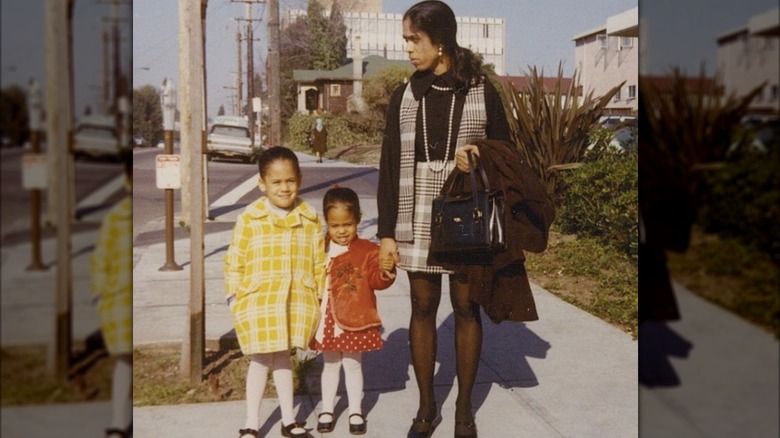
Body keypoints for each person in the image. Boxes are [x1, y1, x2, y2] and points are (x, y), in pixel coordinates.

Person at [377, 2, 514, 437]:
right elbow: (388, 165)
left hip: (462, 211)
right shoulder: (404, 94)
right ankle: (425, 407)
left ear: (441, 41)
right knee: (422, 306)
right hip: (413, 210)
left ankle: (464, 410)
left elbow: (506, 151)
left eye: (414, 40)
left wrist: (476, 155)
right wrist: (385, 234)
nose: (409, 50)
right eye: (407, 41)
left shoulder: (480, 89)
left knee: (465, 307)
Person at [225, 146, 326, 438]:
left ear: (300, 179)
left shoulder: (308, 217)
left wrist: (319, 296)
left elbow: (318, 260)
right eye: (276, 182)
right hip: (258, 300)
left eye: (290, 181)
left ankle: (288, 420)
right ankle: (251, 423)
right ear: (262, 184)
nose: (284, 188)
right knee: (260, 360)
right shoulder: (250, 218)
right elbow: (235, 259)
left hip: (295, 300)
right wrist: (234, 296)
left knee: (284, 358)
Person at [309, 187, 396, 435]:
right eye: (335, 226)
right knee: (330, 364)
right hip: (326, 317)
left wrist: (385, 270)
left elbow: (377, 281)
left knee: (353, 364)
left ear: (357, 219)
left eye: (347, 224)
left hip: (354, 317)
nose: (342, 231)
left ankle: (356, 410)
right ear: (327, 222)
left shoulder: (368, 250)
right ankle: (327, 408)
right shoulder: (320, 247)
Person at [90, 154, 132, 438]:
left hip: (129, 303)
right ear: (128, 182)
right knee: (123, 363)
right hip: (118, 302)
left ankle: (122, 422)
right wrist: (99, 295)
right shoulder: (116, 217)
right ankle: (118, 422)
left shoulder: (119, 217)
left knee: (127, 364)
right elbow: (100, 260)